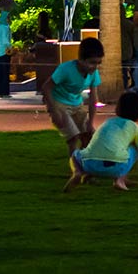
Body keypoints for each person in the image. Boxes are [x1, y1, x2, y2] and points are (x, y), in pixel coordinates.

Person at [67, 90, 138, 192]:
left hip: (88, 164)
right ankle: (120, 180)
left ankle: (78, 172)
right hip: (116, 167)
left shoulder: (108, 122)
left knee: (75, 154)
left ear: (117, 109)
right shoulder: (135, 128)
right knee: (136, 148)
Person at [38, 38, 104, 177]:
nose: (95, 67)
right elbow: (47, 87)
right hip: (59, 103)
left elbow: (93, 99)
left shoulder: (93, 73)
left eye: (98, 63)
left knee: (89, 136)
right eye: (92, 62)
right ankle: (77, 171)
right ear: (81, 59)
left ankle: (86, 168)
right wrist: (54, 110)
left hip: (76, 104)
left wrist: (91, 123)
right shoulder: (66, 69)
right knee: (73, 137)